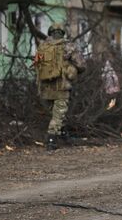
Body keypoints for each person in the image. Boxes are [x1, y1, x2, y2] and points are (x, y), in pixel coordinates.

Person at [34, 22, 86, 151]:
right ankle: (51, 140)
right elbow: (81, 65)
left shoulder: (42, 46)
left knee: (56, 113)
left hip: (45, 86)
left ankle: (64, 135)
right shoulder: (68, 46)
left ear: (50, 32)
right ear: (63, 32)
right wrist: (71, 68)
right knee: (58, 114)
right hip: (61, 86)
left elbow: (37, 66)